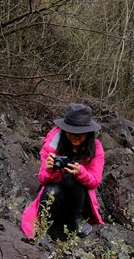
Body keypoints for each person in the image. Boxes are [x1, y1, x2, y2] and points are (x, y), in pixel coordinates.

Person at [20, 102, 105, 239]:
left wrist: (80, 172)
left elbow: (94, 182)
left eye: (79, 132)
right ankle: (43, 229)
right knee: (52, 189)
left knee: (72, 179)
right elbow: (42, 179)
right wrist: (50, 169)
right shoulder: (54, 143)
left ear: (88, 132)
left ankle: (76, 218)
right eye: (70, 131)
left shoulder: (95, 148)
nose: (74, 135)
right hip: (54, 194)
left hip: (78, 197)